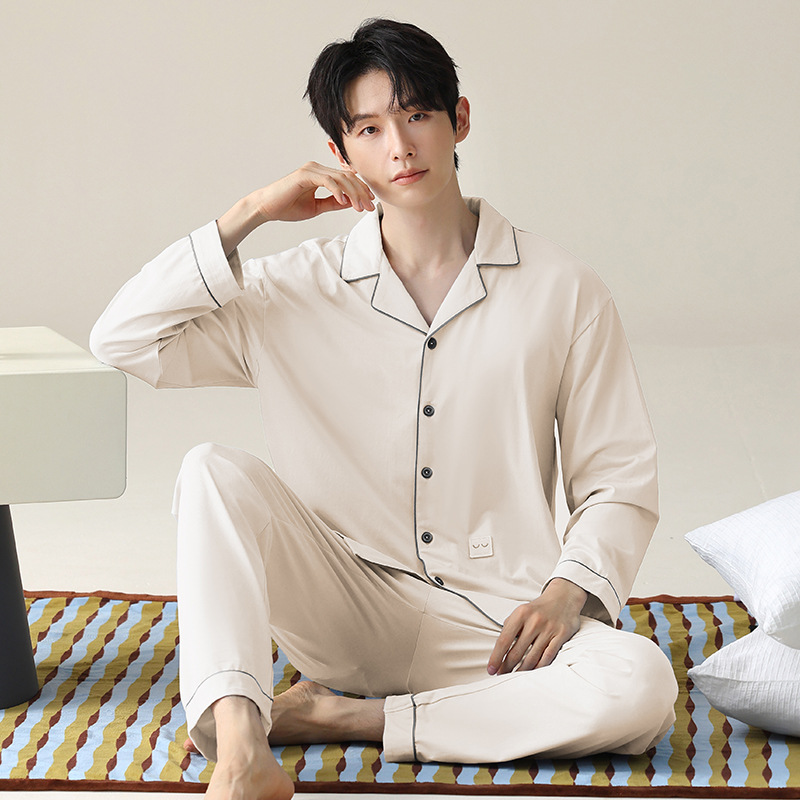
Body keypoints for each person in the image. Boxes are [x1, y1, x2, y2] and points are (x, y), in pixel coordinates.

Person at [90, 17, 678, 800]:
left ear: (458, 119)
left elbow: (618, 478)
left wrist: (565, 595)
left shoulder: (562, 290)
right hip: (343, 607)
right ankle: (240, 746)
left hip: (495, 626)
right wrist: (252, 211)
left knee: (642, 684)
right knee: (210, 472)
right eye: (368, 129)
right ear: (339, 152)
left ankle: (343, 718)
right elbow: (122, 338)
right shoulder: (293, 289)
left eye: (416, 115)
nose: (399, 147)